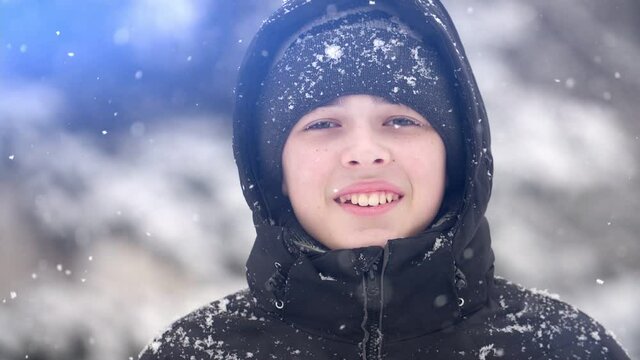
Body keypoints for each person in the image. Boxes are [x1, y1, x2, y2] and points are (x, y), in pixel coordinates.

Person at [139, 0, 630, 359]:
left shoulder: (563, 347)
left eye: (401, 120)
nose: (365, 152)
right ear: (276, 173)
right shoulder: (193, 351)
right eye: (323, 124)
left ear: (455, 160)